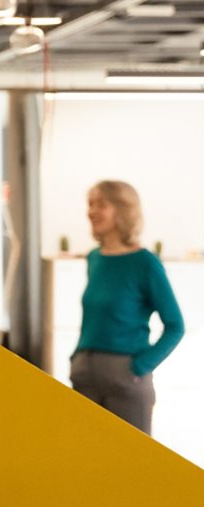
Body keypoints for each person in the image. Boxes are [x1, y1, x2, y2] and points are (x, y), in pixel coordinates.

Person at [72, 179, 185, 433]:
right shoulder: (94, 258)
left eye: (101, 204)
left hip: (126, 378)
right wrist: (77, 358)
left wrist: (140, 367)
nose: (92, 211)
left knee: (129, 465)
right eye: (90, 204)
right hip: (85, 375)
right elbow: (95, 318)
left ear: (123, 210)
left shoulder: (145, 263)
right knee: (85, 460)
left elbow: (175, 325)